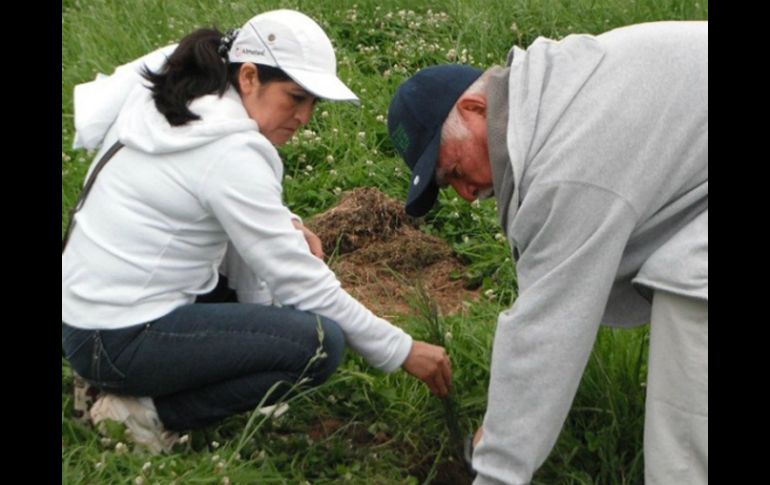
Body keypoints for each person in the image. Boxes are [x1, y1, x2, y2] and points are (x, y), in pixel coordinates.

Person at [62, 9, 451, 454]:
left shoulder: (186, 103)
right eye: (295, 97)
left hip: (85, 316)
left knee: (275, 298)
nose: (304, 117)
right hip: (114, 337)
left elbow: (217, 208)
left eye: (312, 104)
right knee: (318, 344)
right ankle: (141, 414)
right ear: (249, 77)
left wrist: (286, 228)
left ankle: (111, 380)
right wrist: (401, 350)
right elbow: (300, 280)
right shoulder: (230, 152)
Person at [388, 21, 707, 485]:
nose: (464, 194)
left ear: (475, 107)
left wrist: (495, 470)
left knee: (690, 290)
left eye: (454, 170)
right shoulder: (551, 94)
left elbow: (548, 329)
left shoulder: (570, 163)